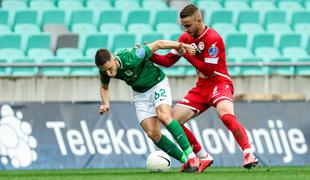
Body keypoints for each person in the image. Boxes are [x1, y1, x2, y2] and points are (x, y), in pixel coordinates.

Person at [150, 4, 259, 171]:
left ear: (198, 21)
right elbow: (168, 61)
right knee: (173, 120)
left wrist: (185, 53)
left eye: (188, 25)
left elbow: (208, 69)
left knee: (226, 115)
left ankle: (248, 153)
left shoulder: (212, 38)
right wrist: (149, 54)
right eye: (183, 26)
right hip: (201, 87)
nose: (185, 29)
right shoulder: (185, 38)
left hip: (219, 83)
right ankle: (203, 157)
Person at [95, 39, 202, 173]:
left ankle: (192, 157)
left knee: (163, 115)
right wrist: (105, 103)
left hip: (157, 83)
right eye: (105, 70)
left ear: (114, 58)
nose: (109, 73)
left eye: (110, 68)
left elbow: (158, 44)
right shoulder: (105, 70)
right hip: (140, 94)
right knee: (153, 133)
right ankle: (186, 162)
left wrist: (181, 45)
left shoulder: (132, 57)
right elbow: (104, 87)